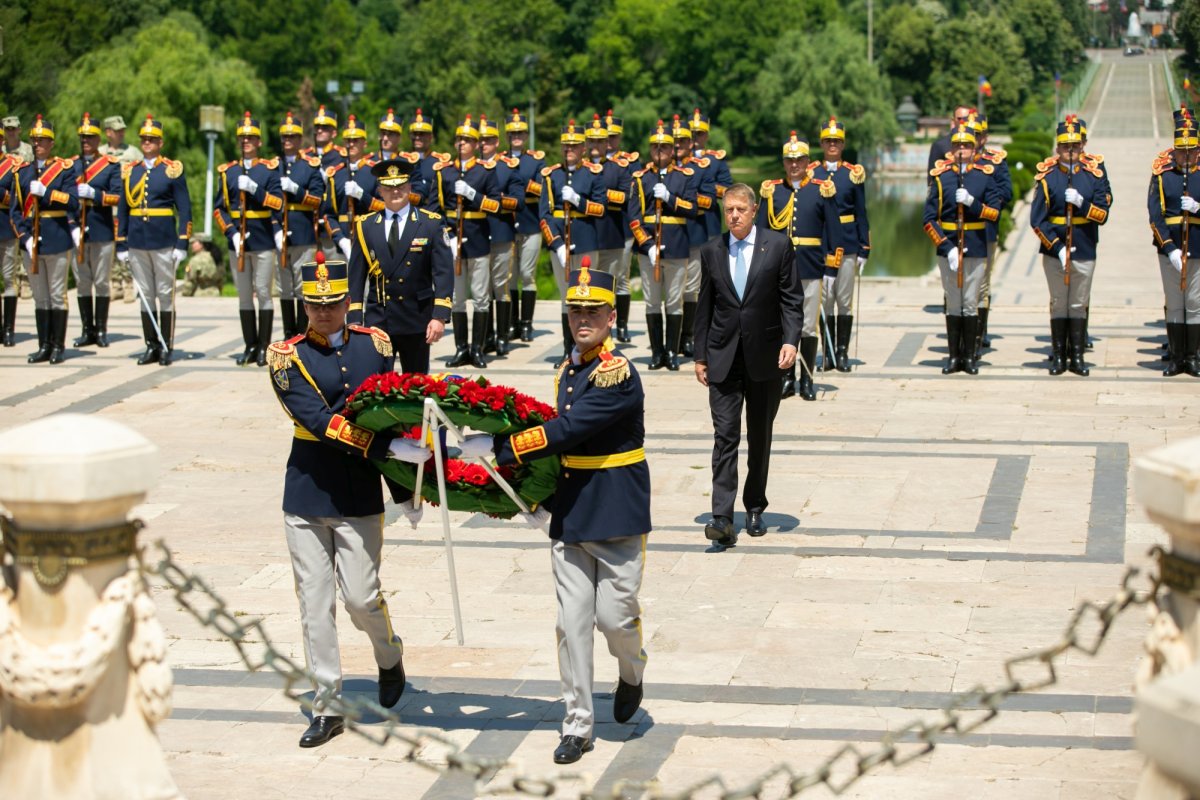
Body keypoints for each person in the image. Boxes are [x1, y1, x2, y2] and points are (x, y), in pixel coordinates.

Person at [482, 265, 649, 764]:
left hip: (615, 508)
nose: (583, 319)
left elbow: (570, 429)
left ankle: (632, 669)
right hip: (574, 510)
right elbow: (561, 443)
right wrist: (539, 497)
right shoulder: (568, 369)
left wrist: (501, 446)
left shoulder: (619, 374)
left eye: (593, 311)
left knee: (615, 619)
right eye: (575, 311)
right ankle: (576, 722)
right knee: (571, 622)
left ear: (611, 317)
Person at [266, 251, 425, 749]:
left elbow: (391, 415)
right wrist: (386, 447)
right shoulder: (285, 357)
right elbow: (318, 420)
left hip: (359, 490)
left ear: (348, 302)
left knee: (360, 597)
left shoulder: (374, 346)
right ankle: (327, 705)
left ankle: (388, 653)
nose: (322, 313)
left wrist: (406, 486)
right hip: (309, 489)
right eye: (314, 305)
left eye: (331, 304)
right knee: (315, 605)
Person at [695, 183, 802, 548]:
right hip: (723, 358)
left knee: (759, 436)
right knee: (725, 436)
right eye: (729, 210)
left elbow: (791, 299)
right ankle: (722, 516)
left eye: (741, 209)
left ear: (754, 210)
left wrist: (791, 340)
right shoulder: (711, 250)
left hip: (765, 356)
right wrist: (699, 356)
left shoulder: (778, 246)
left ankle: (755, 505)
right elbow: (704, 308)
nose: (735, 216)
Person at [347, 157, 453, 373]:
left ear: (409, 188)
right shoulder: (365, 226)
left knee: (415, 386)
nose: (395, 192)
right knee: (377, 386)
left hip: (416, 317)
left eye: (401, 187)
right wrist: (354, 318)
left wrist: (439, 316)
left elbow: (443, 272)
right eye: (389, 187)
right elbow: (356, 276)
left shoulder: (430, 223)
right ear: (380, 191)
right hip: (379, 318)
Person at [1029, 115, 1111, 377]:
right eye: (1066, 146)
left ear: (1084, 144)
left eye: (1076, 145)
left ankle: (1076, 357)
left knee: (1078, 303)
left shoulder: (1094, 174)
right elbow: (1037, 220)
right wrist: (1057, 247)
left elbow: (1103, 213)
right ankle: (1059, 356)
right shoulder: (1047, 176)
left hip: (1085, 247)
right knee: (1058, 302)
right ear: (1057, 147)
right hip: (1055, 252)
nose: (1071, 150)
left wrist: (1082, 204)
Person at [758, 132, 836, 401]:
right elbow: (762, 233)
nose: (794, 165)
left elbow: (832, 232)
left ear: (807, 161)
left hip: (811, 266)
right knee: (782, 324)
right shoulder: (773, 191)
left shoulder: (820, 190)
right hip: (779, 270)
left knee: (807, 327)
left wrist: (832, 268)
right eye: (789, 160)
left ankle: (807, 380)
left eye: (799, 160)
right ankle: (787, 378)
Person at [924, 122, 1001, 375]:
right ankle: (954, 356)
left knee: (970, 302)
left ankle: (969, 357)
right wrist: (946, 247)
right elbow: (929, 218)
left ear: (974, 148)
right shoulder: (941, 176)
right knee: (953, 302)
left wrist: (972, 203)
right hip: (949, 249)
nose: (961, 150)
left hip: (976, 246)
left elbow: (994, 212)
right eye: (957, 145)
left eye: (966, 146)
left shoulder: (984, 176)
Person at [116, 115, 193, 366]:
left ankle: (166, 344)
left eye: (152, 139)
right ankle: (151, 345)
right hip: (138, 240)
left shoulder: (171, 170)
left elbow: (185, 209)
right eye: (144, 139)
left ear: (161, 143)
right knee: (146, 295)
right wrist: (121, 242)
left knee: (164, 293)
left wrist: (182, 242)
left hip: (163, 240)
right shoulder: (131, 171)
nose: (147, 143)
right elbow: (124, 209)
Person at [215, 112, 285, 367]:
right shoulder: (228, 172)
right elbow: (218, 209)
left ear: (259, 142)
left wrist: (256, 190)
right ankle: (249, 344)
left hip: (263, 239)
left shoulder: (268, 170)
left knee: (264, 292)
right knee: (244, 295)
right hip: (238, 243)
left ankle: (264, 347)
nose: (246, 142)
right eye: (242, 138)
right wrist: (231, 233)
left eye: (250, 138)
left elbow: (278, 204)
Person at [627, 120, 699, 371]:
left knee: (674, 301)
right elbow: (633, 218)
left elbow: (693, 209)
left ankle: (672, 351)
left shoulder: (684, 177)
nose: (660, 150)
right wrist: (647, 245)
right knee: (652, 301)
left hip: (677, 246)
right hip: (649, 250)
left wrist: (670, 198)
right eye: (656, 146)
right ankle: (657, 351)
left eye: (665, 146)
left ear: (672, 149)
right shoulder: (640, 179)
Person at [434, 115, 501, 368]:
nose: (461, 143)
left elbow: (496, 205)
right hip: (454, 244)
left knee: (481, 297)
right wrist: (447, 236)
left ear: (475, 144)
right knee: (459, 298)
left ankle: (478, 349)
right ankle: (461, 349)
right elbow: (435, 209)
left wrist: (473, 194)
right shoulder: (445, 172)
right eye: (459, 139)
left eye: (467, 140)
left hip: (479, 240)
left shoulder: (485, 172)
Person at [11, 115, 79, 365]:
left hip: (57, 237)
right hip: (33, 241)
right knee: (40, 296)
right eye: (35, 140)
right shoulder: (22, 172)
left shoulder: (64, 169)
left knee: (57, 294)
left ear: (52, 143)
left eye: (43, 140)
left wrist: (48, 192)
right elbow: (15, 211)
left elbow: (73, 202)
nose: (38, 143)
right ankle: (44, 345)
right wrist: (25, 238)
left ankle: (58, 346)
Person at [539, 120, 608, 359]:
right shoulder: (551, 176)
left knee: (587, 296)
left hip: (586, 243)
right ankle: (569, 350)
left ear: (583, 148)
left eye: (574, 145)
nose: (569, 149)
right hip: (561, 246)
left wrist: (579, 201)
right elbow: (544, 216)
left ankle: (589, 348)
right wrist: (556, 244)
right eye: (566, 146)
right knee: (566, 298)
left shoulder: (593, 173)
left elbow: (600, 209)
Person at [809, 117, 870, 373]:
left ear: (843, 145)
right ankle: (829, 352)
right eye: (828, 141)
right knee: (825, 301)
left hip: (847, 241)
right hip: (822, 243)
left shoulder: (852, 174)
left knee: (844, 299)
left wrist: (864, 246)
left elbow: (861, 211)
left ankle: (842, 353)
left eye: (836, 141)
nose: (832, 145)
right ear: (822, 144)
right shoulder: (814, 173)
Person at [1149, 112, 1200, 377]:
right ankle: (1176, 357)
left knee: (1194, 303)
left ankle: (1191, 358)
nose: (1187, 156)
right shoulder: (1162, 175)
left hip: (1199, 248)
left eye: (1192, 151)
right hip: (1170, 249)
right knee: (1175, 302)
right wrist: (1169, 248)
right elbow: (1155, 215)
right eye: (1182, 152)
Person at [71, 112, 123, 349]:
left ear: (98, 138)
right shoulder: (70, 165)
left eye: (90, 137)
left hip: (102, 228)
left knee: (101, 282)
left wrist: (96, 195)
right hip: (78, 231)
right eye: (83, 137)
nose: (86, 141)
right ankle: (86, 330)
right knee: (83, 281)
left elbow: (118, 197)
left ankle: (101, 329)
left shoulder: (110, 165)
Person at [275, 111, 326, 337]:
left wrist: (297, 190)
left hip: (304, 232)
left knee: (302, 287)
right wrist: (276, 229)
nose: (288, 141)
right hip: (280, 233)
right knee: (284, 287)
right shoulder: (272, 165)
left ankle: (303, 333)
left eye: (292, 137)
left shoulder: (309, 166)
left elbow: (318, 199)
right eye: (285, 137)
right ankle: (288, 334)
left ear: (299, 140)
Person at [478, 114, 523, 357]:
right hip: (476, 236)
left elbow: (519, 202)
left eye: (488, 140)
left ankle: (503, 336)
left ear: (497, 142)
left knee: (500, 287)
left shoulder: (507, 167)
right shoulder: (471, 168)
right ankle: (485, 337)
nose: (484, 144)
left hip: (501, 233)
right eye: (481, 140)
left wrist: (494, 200)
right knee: (482, 290)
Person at [671, 117, 716, 359]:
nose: (678, 145)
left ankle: (687, 336)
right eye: (674, 141)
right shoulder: (660, 170)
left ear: (691, 143)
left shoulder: (701, 167)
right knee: (670, 290)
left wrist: (685, 202)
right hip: (669, 235)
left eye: (683, 141)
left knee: (690, 288)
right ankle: (671, 339)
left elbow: (708, 200)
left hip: (693, 232)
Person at [970, 115, 1012, 350]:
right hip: (959, 232)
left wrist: (984, 201)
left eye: (978, 135)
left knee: (982, 283)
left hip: (985, 228)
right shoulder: (953, 161)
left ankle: (980, 331)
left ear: (985, 137)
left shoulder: (995, 161)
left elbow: (1007, 192)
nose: (974, 140)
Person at [504, 109, 545, 343]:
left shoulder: (535, 160)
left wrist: (521, 185)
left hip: (530, 222)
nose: (516, 136)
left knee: (527, 274)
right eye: (512, 133)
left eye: (520, 132)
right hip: (509, 223)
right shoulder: (502, 160)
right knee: (510, 277)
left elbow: (542, 189)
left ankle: (527, 323)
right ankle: (512, 322)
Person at [606, 110, 641, 342]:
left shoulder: (629, 162)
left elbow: (631, 194)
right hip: (599, 227)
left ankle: (623, 324)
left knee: (622, 278)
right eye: (606, 137)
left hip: (623, 226)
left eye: (614, 137)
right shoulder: (589, 164)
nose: (610, 141)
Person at [586, 115, 631, 288]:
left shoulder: (618, 168)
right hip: (585, 236)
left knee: (608, 287)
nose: (595, 145)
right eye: (592, 141)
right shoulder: (580, 169)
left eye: (600, 141)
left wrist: (601, 195)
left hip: (610, 234)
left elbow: (627, 197)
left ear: (607, 144)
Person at [100, 116, 140, 303]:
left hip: (126, 208)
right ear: (108, 132)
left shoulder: (133, 153)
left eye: (123, 129)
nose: (121, 133)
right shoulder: (99, 153)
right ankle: (114, 284)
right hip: (105, 207)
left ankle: (129, 284)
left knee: (127, 245)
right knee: (110, 248)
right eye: (117, 130)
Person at [4, 117, 34, 303]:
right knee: (7, 250)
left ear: (19, 130)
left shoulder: (28, 151)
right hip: (5, 202)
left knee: (22, 240)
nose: (11, 132)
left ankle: (25, 281)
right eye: (8, 129)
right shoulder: (1, 151)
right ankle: (14, 280)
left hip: (24, 201)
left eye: (14, 129)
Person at [0, 142, 23, 346]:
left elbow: (18, 197)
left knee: (9, 279)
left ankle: (8, 330)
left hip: (6, 227)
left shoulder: (12, 165)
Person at [406, 109, 449, 214]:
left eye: (422, 134)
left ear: (431, 137)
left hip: (433, 215)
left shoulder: (439, 162)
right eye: (414, 134)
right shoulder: (402, 161)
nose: (417, 137)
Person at [927, 105, 973, 179]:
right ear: (953, 121)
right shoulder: (940, 145)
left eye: (967, 119)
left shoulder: (978, 142)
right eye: (959, 118)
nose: (963, 121)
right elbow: (932, 177)